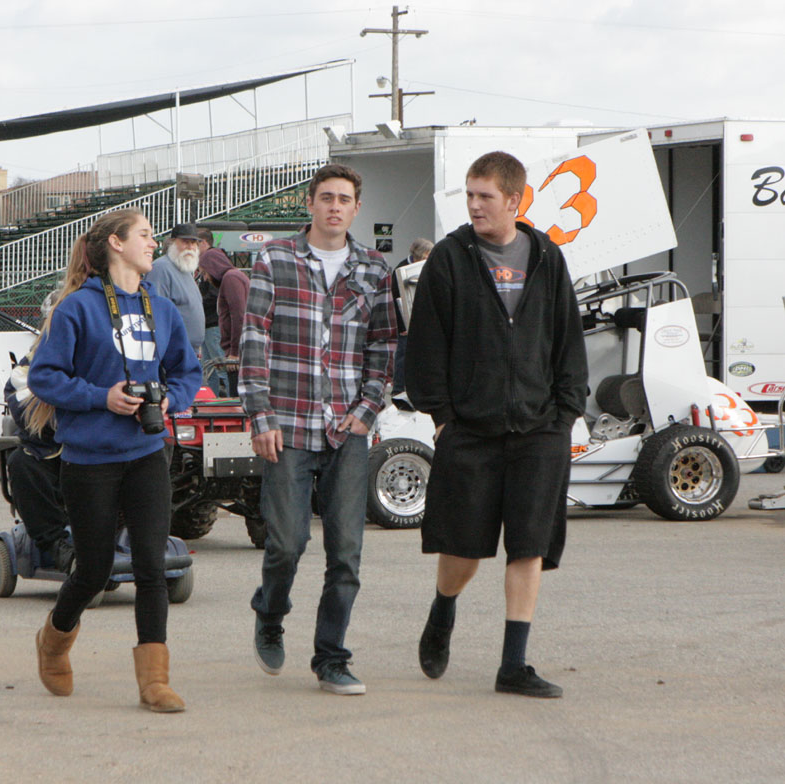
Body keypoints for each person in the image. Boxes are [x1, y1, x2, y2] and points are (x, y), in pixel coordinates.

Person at [405, 151, 587, 698]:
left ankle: (513, 665)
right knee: (462, 550)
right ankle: (443, 609)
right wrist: (443, 418)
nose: (474, 205)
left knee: (529, 547)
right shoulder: (449, 258)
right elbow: (425, 345)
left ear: (514, 200)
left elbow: (567, 340)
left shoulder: (547, 256)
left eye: (485, 196)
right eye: (470, 194)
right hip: (470, 431)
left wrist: (564, 416)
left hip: (539, 431)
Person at [27, 208, 202, 711]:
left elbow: (187, 372)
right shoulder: (76, 308)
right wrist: (101, 397)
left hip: (146, 453)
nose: (154, 243)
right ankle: (54, 640)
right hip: (89, 459)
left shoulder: (161, 308)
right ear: (116, 244)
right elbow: (44, 377)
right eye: (144, 234)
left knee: (151, 565)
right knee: (94, 569)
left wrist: (170, 399)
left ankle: (154, 682)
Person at [239, 163, 397, 696]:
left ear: (356, 208)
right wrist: (260, 416)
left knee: (346, 553)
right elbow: (254, 339)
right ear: (310, 203)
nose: (334, 206)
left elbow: (384, 345)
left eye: (344, 199)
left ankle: (331, 657)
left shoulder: (374, 268)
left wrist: (368, 409)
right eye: (326, 197)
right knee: (286, 543)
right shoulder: (275, 258)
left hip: (346, 430)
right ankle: (270, 612)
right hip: (287, 425)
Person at [3, 295, 73, 574]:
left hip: (95, 447)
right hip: (48, 450)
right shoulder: (32, 360)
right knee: (21, 463)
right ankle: (57, 546)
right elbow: (21, 403)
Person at [144, 222, 205, 355]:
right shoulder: (161, 268)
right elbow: (155, 312)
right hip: (172, 352)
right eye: (185, 242)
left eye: (194, 243)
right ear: (172, 243)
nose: (190, 247)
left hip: (188, 351)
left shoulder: (185, 269)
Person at [200, 248, 250, 397]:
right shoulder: (233, 277)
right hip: (241, 350)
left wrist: (234, 352)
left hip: (239, 353)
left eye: (205, 273)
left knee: (236, 397)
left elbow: (239, 315)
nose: (205, 278)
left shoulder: (230, 278)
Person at [390, 237, 434, 396]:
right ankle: (398, 388)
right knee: (403, 356)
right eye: (427, 254)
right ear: (420, 254)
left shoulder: (426, 267)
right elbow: (395, 299)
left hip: (421, 319)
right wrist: (402, 325)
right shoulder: (401, 270)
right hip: (404, 322)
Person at [196, 230, 229, 397]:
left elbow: (215, 294)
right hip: (207, 323)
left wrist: (197, 301)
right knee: (209, 369)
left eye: (196, 243)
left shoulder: (214, 263)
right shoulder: (205, 265)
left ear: (204, 242)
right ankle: (213, 400)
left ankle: (232, 398)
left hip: (213, 323)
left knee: (220, 367)